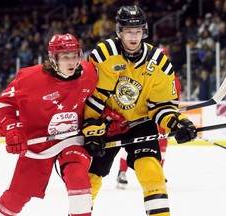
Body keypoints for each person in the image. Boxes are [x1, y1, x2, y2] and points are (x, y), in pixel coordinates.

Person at [81, 5, 197, 216]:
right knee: (91, 177)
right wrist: (91, 127)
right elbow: (94, 98)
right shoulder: (103, 55)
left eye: (137, 31)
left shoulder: (159, 62)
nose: (133, 37)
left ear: (144, 31)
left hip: (141, 122)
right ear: (119, 32)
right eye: (128, 31)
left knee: (152, 171)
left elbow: (162, 106)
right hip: (107, 124)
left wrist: (176, 122)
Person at [0, 33, 97, 216]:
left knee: (78, 177)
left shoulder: (89, 73)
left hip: (72, 140)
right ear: (53, 58)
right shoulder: (30, 78)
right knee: (17, 196)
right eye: (65, 57)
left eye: (74, 56)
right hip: (38, 145)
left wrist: (107, 117)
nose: (71, 62)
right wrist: (12, 129)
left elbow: (100, 100)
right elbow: (1, 104)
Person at [116, 47, 182, 189]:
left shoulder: (172, 79)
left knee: (162, 147)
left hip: (160, 118)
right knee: (131, 142)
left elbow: (174, 103)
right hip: (143, 118)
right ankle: (122, 171)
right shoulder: (140, 73)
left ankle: (157, 172)